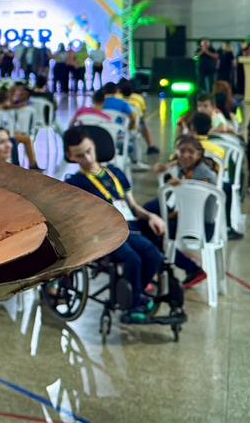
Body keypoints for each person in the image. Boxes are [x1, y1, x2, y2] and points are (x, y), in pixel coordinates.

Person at [62, 127, 166, 324]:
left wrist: (151, 216)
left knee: (154, 255)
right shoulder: (76, 183)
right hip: (104, 234)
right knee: (133, 259)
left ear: (94, 146)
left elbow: (133, 206)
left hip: (129, 228)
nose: (88, 158)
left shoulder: (116, 173)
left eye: (89, 151)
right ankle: (133, 304)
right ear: (71, 156)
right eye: (80, 155)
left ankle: (131, 294)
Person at [146, 136, 215, 289]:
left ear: (199, 154)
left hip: (200, 227)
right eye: (182, 151)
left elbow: (195, 200)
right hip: (185, 219)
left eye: (191, 152)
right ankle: (158, 271)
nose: (185, 155)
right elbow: (174, 164)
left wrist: (183, 185)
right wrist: (165, 167)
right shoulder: (185, 168)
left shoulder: (206, 175)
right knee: (148, 213)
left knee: (154, 231)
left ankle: (188, 269)